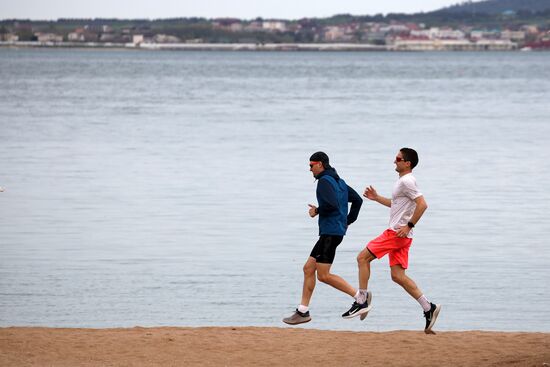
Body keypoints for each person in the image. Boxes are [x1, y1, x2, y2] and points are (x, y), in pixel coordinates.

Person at [343, 148, 441, 333]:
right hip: (402, 236)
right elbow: (397, 204)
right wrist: (377, 198)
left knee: (362, 258)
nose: (394, 161)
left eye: (398, 158)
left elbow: (423, 204)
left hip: (396, 234)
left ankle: (362, 300)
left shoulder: (407, 181)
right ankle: (429, 308)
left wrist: (409, 225)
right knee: (397, 276)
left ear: (407, 163)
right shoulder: (402, 182)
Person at [283, 151, 365, 325]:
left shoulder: (323, 181)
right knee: (308, 268)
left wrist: (317, 211)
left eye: (311, 165)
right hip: (332, 232)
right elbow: (358, 200)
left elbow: (331, 205)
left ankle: (360, 299)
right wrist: (347, 221)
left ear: (320, 164)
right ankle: (303, 311)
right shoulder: (339, 182)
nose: (310, 169)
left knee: (324, 275)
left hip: (330, 234)